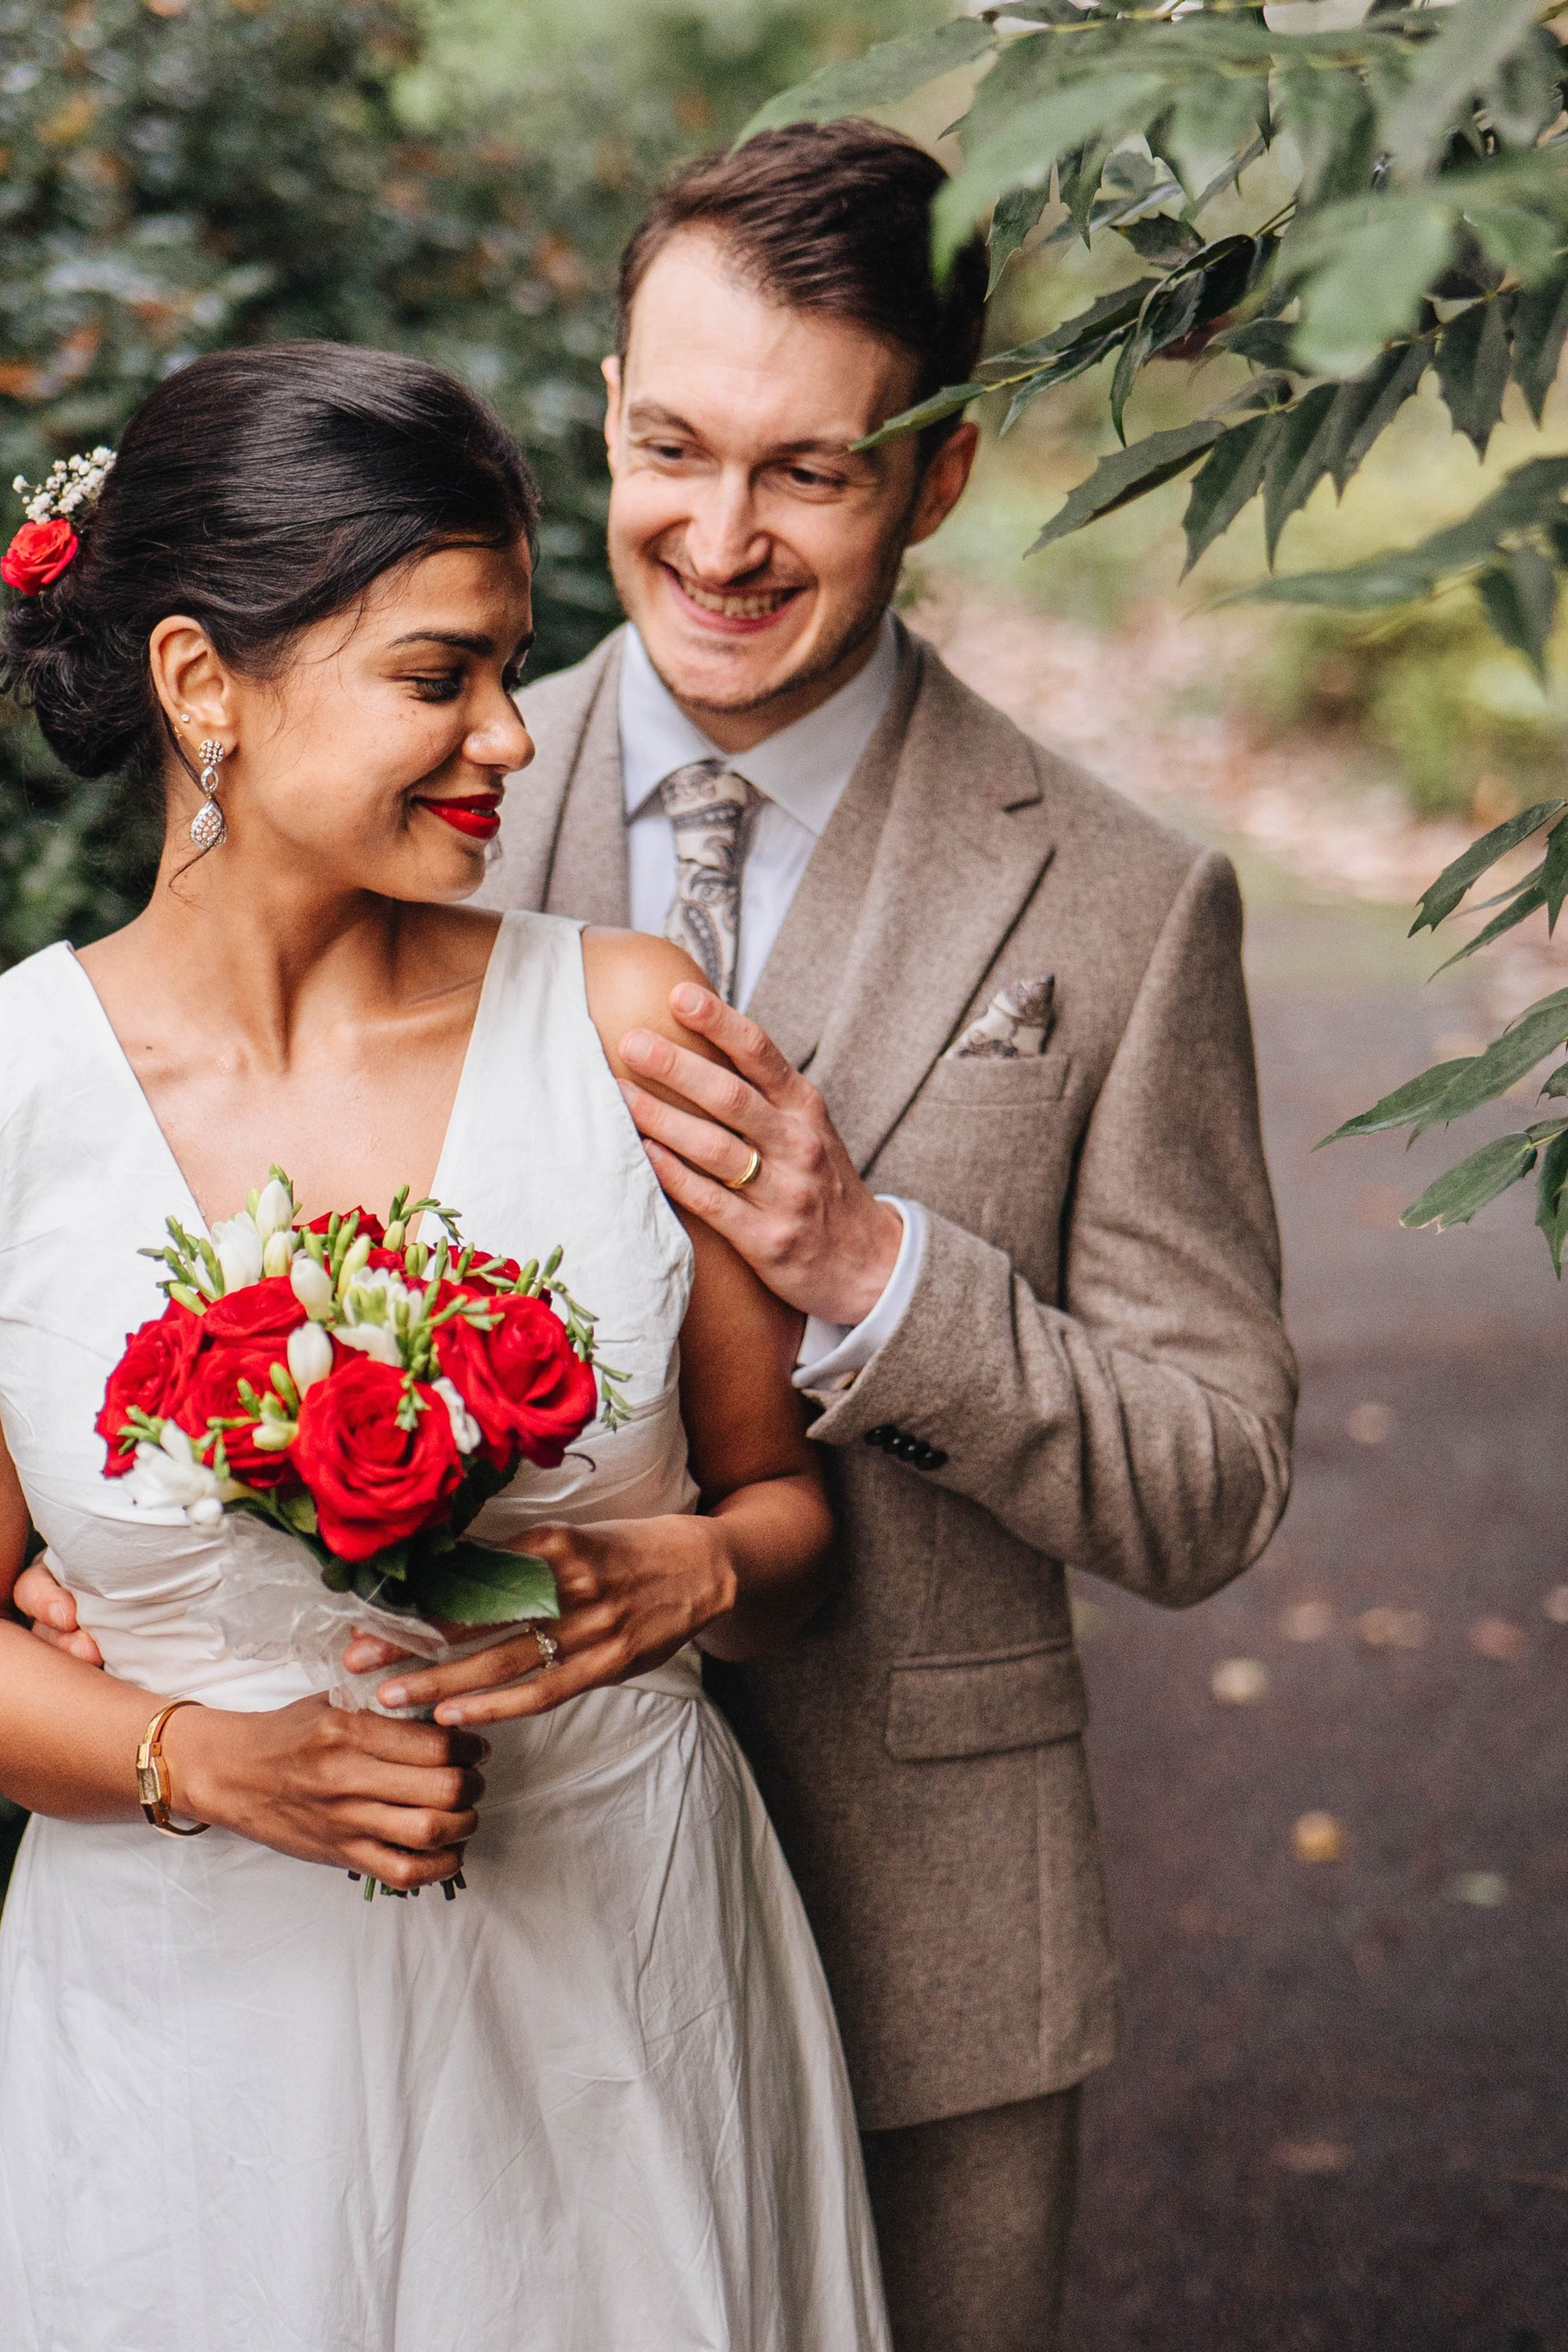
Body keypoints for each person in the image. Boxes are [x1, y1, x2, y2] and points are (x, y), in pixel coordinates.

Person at [0, 341, 892, 2350]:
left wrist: (703, 1568)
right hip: (185, 2054)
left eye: (513, 665)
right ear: (199, 684)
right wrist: (211, 1763)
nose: (511, 734)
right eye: (438, 676)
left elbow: (781, 1512)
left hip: (618, 1995)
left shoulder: (636, 1025)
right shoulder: (14, 1103)